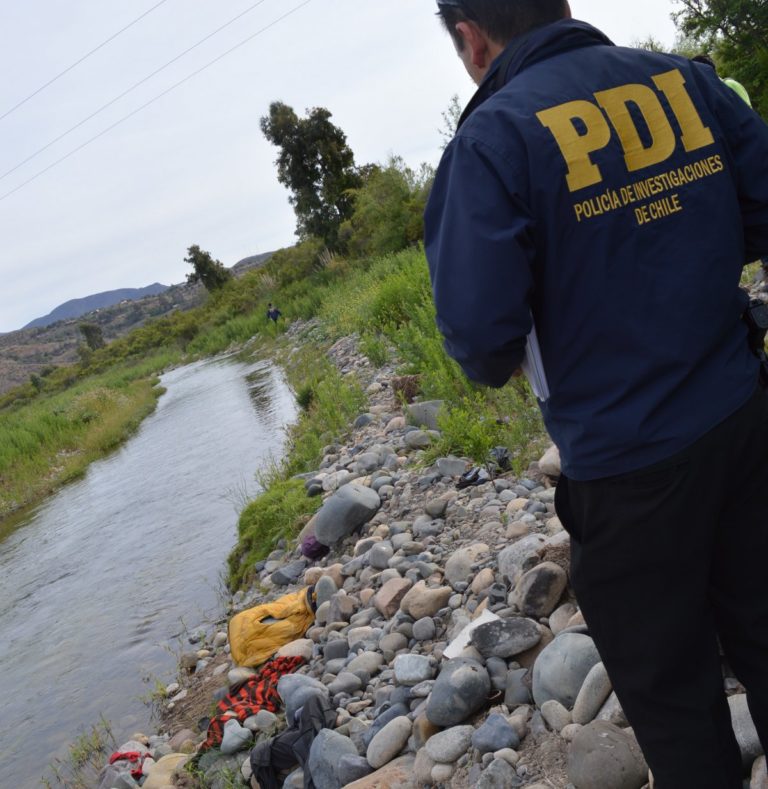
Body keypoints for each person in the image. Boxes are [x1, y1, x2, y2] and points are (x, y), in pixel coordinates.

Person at [424, 2, 768, 786]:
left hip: (626, 475)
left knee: (676, 709)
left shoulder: (491, 141)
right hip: (746, 422)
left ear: (470, 39)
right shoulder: (680, 82)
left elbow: (482, 342)